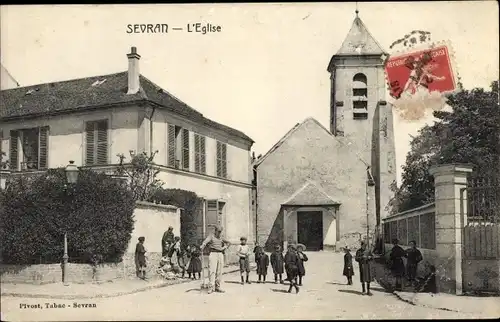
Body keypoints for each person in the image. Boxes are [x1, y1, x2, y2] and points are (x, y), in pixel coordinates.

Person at [200, 225, 231, 294]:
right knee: (212, 270)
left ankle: (217, 287)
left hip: (220, 254)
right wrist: (203, 245)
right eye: (218, 232)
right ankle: (211, 287)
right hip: (213, 253)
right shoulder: (211, 236)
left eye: (220, 232)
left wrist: (224, 248)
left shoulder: (221, 237)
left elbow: (229, 243)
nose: (219, 233)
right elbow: (205, 241)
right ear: (215, 231)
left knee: (219, 271)